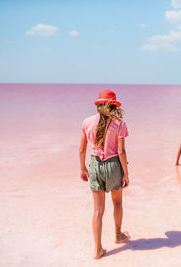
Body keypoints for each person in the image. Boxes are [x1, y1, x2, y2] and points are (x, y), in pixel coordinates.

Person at [79, 89, 130, 259]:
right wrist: (126, 173)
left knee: (97, 211)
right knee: (117, 202)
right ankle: (118, 235)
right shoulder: (119, 124)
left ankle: (98, 250)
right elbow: (121, 151)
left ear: (99, 105)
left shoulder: (87, 122)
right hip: (114, 165)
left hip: (95, 166)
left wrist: (82, 168)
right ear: (113, 106)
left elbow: (81, 149)